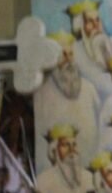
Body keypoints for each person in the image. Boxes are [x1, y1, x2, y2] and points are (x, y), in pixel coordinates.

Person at [33, 32, 101, 168]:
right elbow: (40, 143)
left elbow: (100, 129)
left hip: (90, 170)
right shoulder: (41, 93)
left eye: (71, 54)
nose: (69, 60)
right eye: (63, 55)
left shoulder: (90, 89)